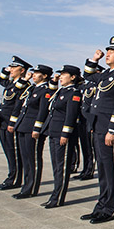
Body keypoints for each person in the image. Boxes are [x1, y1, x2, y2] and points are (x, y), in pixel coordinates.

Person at [82, 36, 114, 224]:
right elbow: (88, 75)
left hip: (109, 129)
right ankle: (101, 205)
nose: (108, 54)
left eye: (112, 51)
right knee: (103, 170)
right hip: (98, 127)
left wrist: (112, 130)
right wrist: (94, 59)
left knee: (111, 169)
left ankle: (110, 209)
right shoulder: (106, 74)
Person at [40, 66, 83, 208]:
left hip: (62, 135)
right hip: (53, 132)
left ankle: (58, 198)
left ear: (73, 77)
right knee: (56, 166)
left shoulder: (74, 93)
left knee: (62, 168)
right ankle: (54, 195)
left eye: (64, 74)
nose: (61, 76)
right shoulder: (61, 91)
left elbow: (71, 116)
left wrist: (65, 134)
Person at [10, 64, 53, 199]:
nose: (34, 75)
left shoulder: (45, 90)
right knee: (24, 157)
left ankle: (31, 188)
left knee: (32, 158)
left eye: (37, 73)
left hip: (32, 129)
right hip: (23, 126)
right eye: (33, 73)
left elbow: (42, 111)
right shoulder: (32, 88)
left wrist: (37, 129)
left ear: (45, 76)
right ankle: (25, 186)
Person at [0, 56, 31, 190]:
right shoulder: (12, 83)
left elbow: (18, 105)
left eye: (14, 68)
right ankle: (11, 176)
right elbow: (1, 80)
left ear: (22, 70)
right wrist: (5, 70)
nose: (11, 70)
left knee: (13, 152)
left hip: (11, 123)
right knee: (7, 151)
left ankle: (14, 179)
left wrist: (12, 122)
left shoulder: (24, 85)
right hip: (2, 121)